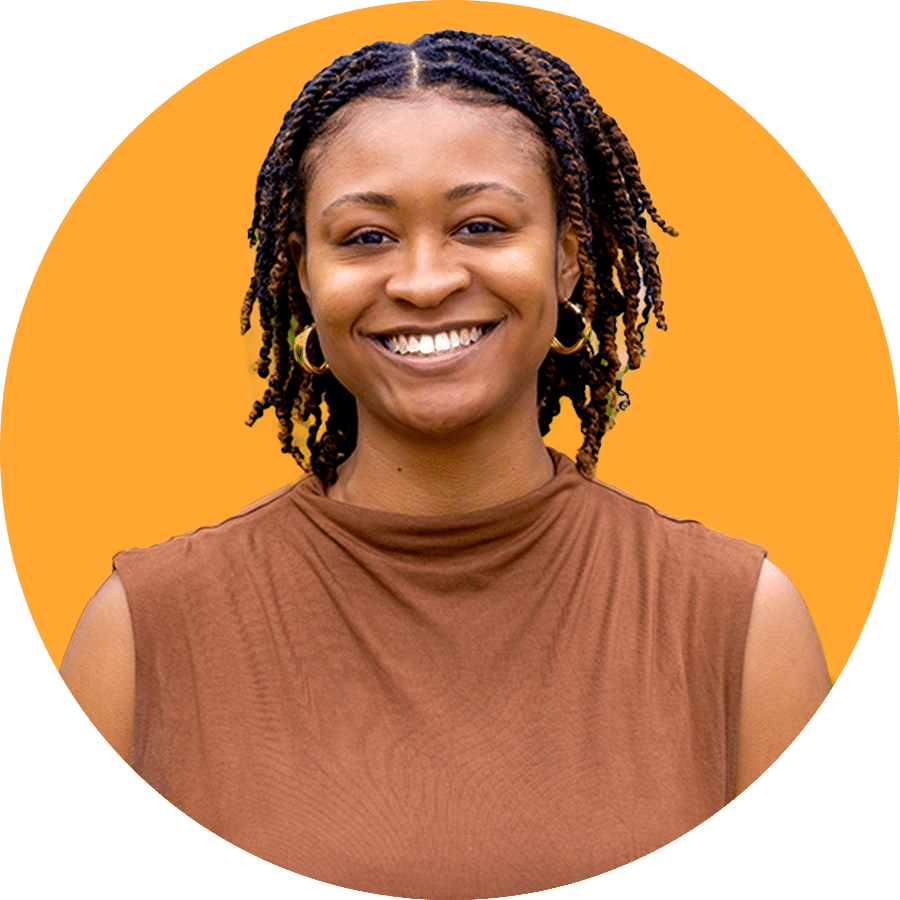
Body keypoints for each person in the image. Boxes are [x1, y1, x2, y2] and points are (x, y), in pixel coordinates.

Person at [60, 31, 831, 898]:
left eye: (481, 226)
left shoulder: (740, 625)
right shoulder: (141, 636)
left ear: (569, 257)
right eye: (365, 237)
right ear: (303, 275)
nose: (423, 282)